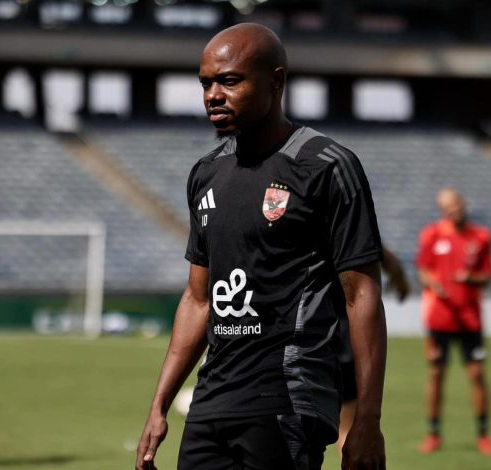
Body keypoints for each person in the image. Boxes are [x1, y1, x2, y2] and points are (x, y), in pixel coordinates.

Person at [135, 23, 388, 470]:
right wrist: (159, 405)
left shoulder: (327, 167)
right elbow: (198, 300)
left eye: (229, 80)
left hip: (288, 398)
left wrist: (367, 419)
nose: (213, 94)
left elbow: (361, 294)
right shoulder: (205, 173)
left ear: (276, 81)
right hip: (212, 403)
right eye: (206, 83)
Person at [416, 188, 491, 455]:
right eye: (448, 206)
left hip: (470, 319)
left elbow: (488, 275)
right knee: (436, 374)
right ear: (442, 210)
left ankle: (484, 434)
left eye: (457, 204)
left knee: (476, 374)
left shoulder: (482, 236)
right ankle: (433, 434)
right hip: (439, 318)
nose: (455, 210)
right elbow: (423, 270)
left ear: (463, 203)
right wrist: (433, 283)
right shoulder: (432, 234)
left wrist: (470, 279)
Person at [336, 247, 409, 453]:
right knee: (347, 427)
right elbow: (385, 255)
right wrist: (400, 280)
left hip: (311, 339)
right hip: (345, 335)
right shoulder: (347, 232)